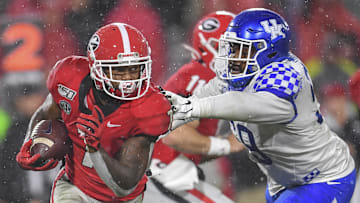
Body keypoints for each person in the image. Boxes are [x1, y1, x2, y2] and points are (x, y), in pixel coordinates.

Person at [164, 8, 356, 203]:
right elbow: (205, 94)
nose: (234, 56)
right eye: (232, 47)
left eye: (243, 49)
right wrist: (176, 109)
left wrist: (195, 108)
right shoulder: (239, 74)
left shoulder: (287, 75)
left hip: (324, 178)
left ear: (269, 51)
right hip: (283, 181)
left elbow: (245, 105)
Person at [15, 23, 171, 203]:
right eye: (119, 70)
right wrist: (30, 143)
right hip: (74, 187)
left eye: (134, 68)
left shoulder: (150, 106)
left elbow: (123, 186)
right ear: (96, 68)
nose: (129, 79)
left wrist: (96, 149)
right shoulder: (68, 78)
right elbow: (46, 112)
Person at [143, 11, 243, 203]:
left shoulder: (199, 76)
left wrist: (229, 144)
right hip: (161, 172)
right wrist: (225, 144)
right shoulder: (202, 78)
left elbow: (190, 151)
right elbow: (175, 135)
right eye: (236, 47)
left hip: (161, 170)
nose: (242, 56)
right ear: (214, 47)